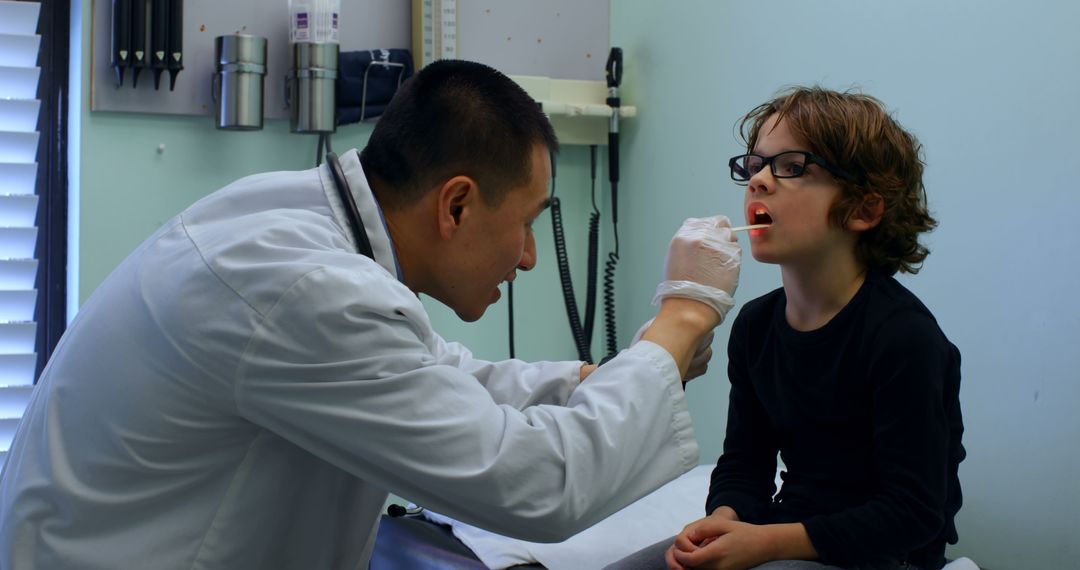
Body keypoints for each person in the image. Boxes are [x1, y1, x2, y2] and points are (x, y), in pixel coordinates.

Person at [0, 59, 743, 569]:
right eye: (526, 224)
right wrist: (681, 318)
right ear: (456, 204)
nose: (528, 259)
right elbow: (537, 485)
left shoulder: (292, 225)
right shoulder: (303, 286)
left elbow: (440, 376)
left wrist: (590, 380)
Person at [609, 87, 965, 570]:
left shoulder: (904, 337)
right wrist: (725, 519)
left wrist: (767, 543)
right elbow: (744, 464)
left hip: (886, 555)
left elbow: (913, 512)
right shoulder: (756, 326)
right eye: (754, 164)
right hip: (788, 529)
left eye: (792, 166)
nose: (758, 180)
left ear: (864, 209)